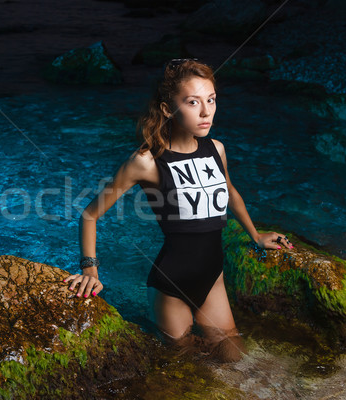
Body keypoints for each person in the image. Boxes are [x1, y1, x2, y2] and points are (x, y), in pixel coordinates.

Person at [62, 59, 293, 362]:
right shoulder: (145, 161)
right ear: (168, 108)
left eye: (211, 100)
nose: (206, 111)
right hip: (170, 285)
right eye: (193, 102)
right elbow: (90, 214)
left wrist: (255, 234)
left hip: (213, 280)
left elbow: (230, 192)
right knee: (184, 369)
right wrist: (89, 269)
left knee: (236, 360)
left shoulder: (216, 149)